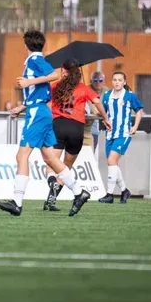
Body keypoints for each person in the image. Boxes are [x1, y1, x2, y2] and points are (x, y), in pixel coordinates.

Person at [0, 30, 91, 217]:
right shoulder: (35, 61)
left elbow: (54, 75)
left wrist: (28, 81)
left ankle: (17, 202)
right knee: (50, 159)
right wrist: (21, 107)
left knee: (21, 156)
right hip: (42, 111)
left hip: (37, 113)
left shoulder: (34, 60)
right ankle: (79, 193)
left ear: (26, 45)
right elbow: (41, 91)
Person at [44, 59, 111, 212]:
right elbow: (97, 102)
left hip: (58, 126)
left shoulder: (55, 86)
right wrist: (105, 118)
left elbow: (46, 103)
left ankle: (51, 182)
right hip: (76, 129)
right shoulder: (83, 88)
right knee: (66, 168)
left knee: (52, 164)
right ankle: (50, 201)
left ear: (64, 71)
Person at [98, 72, 144, 204]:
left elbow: (139, 110)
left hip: (123, 133)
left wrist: (135, 126)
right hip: (110, 134)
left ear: (124, 82)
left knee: (111, 160)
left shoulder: (129, 96)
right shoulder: (107, 95)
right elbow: (103, 111)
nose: (117, 82)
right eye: (114, 80)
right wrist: (101, 116)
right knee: (113, 164)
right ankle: (124, 191)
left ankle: (109, 194)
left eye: (119, 80)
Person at [86, 71, 108, 151]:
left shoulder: (106, 90)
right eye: (95, 80)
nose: (98, 82)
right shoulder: (87, 90)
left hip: (103, 124)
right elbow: (93, 109)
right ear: (91, 81)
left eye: (100, 80)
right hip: (89, 125)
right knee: (89, 150)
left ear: (104, 82)